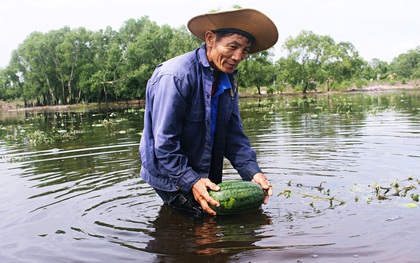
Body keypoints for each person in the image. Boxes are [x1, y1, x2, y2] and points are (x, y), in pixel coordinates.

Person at [139, 8, 278, 216]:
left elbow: (234, 136)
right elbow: (164, 144)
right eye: (233, 46)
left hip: (203, 166)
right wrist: (192, 180)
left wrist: (253, 172)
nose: (238, 56)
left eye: (245, 50)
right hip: (171, 173)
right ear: (210, 38)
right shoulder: (175, 77)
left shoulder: (227, 79)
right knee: (204, 222)